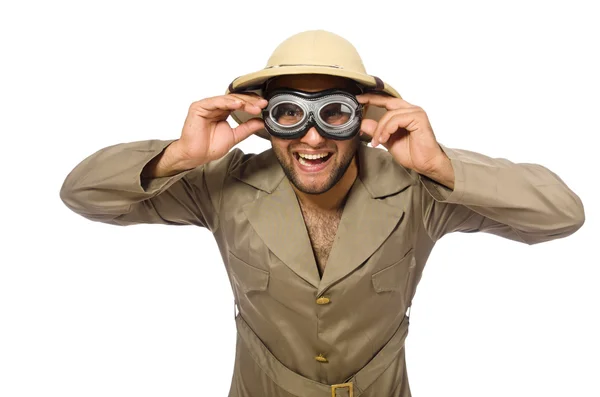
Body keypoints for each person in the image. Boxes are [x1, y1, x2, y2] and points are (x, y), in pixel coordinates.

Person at [59, 30, 585, 397]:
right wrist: (181, 156)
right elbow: (81, 193)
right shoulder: (223, 186)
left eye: (333, 112)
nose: (312, 137)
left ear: (362, 118)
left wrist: (442, 165)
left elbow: (563, 214)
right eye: (291, 112)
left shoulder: (419, 193)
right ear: (266, 121)